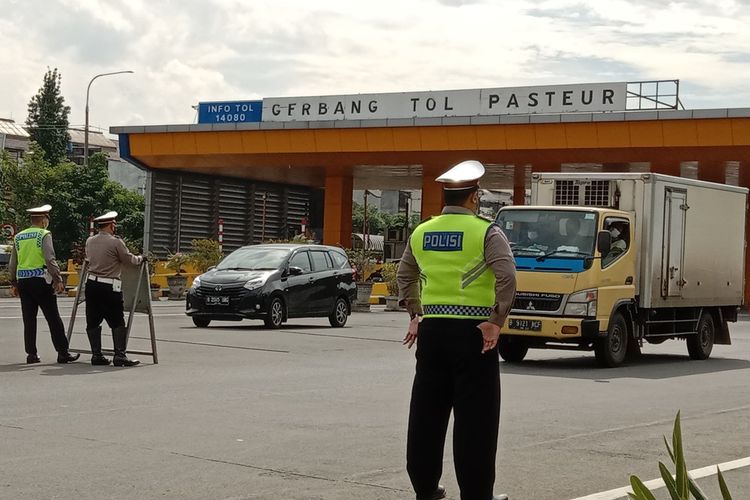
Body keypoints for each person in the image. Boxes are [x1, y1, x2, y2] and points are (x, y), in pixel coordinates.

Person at [397, 160, 516, 500]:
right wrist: (496, 321)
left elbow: (405, 276)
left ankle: (425, 488)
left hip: (432, 332)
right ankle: (477, 495)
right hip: (474, 336)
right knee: (476, 420)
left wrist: (415, 314)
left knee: (426, 414)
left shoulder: (423, 231)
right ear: (474, 197)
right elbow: (507, 276)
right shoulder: (487, 231)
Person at [8, 204, 80, 364]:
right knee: (53, 317)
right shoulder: (44, 234)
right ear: (43, 220)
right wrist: (58, 279)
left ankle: (31, 354)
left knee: (29, 319)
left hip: (23, 282)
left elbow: (13, 263)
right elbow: (49, 259)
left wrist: (13, 283)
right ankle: (63, 352)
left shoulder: (19, 237)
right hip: (41, 280)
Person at [84, 211, 144, 367]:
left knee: (93, 320)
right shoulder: (115, 242)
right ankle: (120, 355)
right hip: (109, 286)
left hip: (91, 284)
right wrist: (141, 258)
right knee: (117, 320)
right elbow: (128, 259)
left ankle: (96, 355)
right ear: (111, 225)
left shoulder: (89, 241)